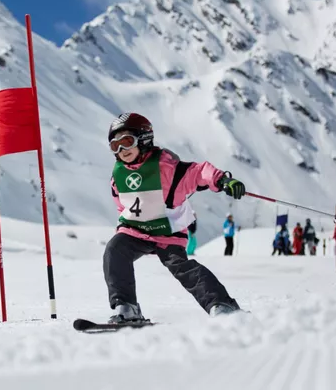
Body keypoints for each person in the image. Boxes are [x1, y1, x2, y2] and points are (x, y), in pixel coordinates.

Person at [104, 112, 245, 323]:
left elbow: (198, 172)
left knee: (183, 268)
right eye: (115, 146)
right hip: (135, 230)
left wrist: (222, 180)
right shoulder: (118, 176)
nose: (121, 150)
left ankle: (222, 305)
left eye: (126, 142)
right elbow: (121, 204)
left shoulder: (167, 169)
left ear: (144, 139)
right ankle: (127, 307)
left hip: (167, 233)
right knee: (115, 250)